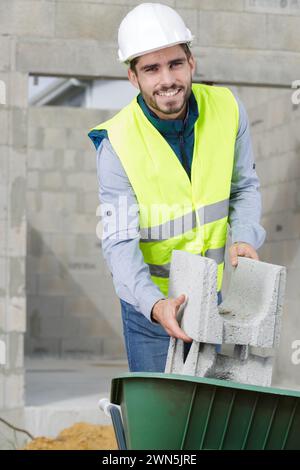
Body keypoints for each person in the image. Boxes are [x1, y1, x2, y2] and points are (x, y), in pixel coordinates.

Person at [88, 3, 266, 373]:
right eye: (151, 69)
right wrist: (154, 305)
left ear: (192, 63)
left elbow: (244, 187)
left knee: (205, 415)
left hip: (209, 297)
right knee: (160, 419)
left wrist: (246, 235)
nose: (167, 79)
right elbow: (118, 242)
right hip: (149, 306)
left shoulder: (228, 109)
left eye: (175, 64)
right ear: (133, 78)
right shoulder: (116, 143)